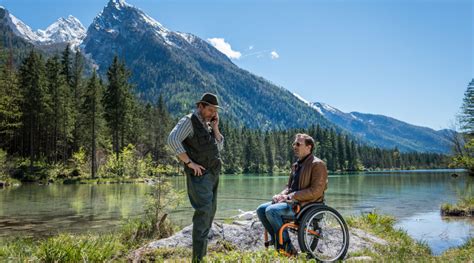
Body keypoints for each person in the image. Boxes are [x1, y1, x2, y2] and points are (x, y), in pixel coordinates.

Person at [167, 93, 224, 262]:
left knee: (210, 213)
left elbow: (219, 147)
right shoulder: (188, 121)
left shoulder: (207, 125)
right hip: (200, 176)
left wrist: (215, 128)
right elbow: (172, 139)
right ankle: (198, 260)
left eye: (215, 110)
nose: (213, 113)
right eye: (210, 109)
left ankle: (201, 257)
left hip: (213, 174)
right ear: (200, 106)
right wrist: (189, 163)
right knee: (204, 213)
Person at [256, 133, 328, 255]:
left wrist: (291, 196)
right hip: (292, 203)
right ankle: (278, 242)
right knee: (261, 209)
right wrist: (281, 195)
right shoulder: (296, 165)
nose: (295, 146)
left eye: (298, 144)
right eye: (294, 144)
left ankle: (287, 248)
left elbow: (316, 191)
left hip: (307, 206)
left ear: (308, 147)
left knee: (271, 211)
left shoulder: (318, 164)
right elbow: (289, 187)